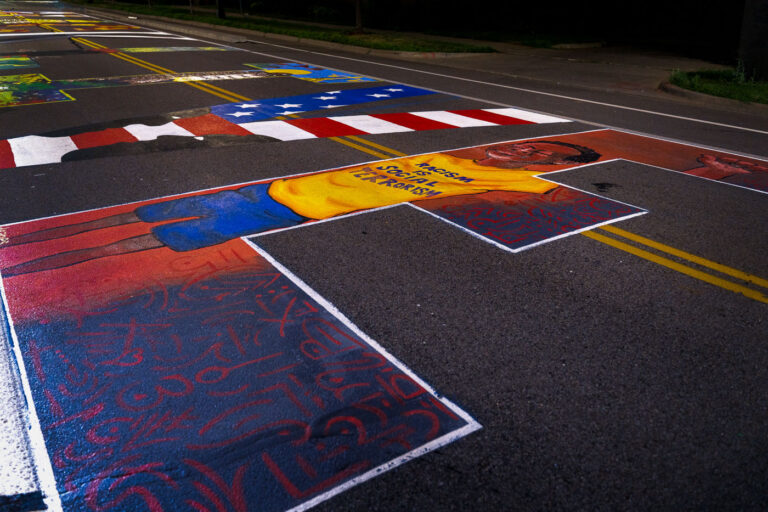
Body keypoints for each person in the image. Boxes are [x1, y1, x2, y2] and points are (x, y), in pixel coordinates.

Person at [1, 141, 600, 276]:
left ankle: (28, 267)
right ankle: (15, 247)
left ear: (554, 164)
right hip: (271, 191)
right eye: (528, 141)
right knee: (130, 219)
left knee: (139, 244)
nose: (524, 147)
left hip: (286, 216)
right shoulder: (464, 149)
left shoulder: (525, 181)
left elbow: (570, 200)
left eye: (541, 151)